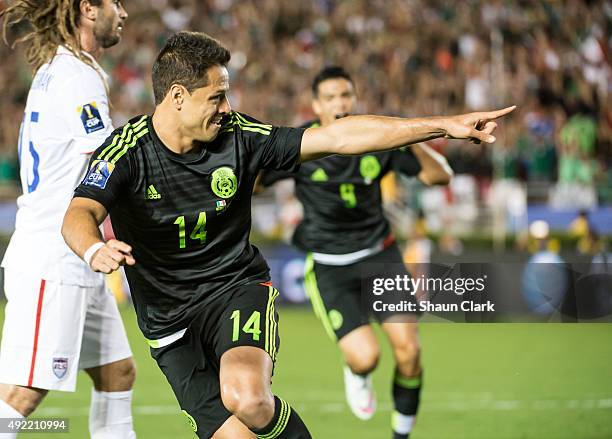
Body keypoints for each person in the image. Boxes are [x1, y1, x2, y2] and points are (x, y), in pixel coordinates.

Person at [61, 31, 513, 439]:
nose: (227, 108)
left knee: (249, 398)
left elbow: (337, 138)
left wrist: (444, 125)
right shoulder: (127, 150)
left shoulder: (240, 136)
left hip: (232, 289)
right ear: (178, 96)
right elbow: (79, 212)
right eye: (217, 98)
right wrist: (94, 247)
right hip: (168, 324)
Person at [260, 66, 453, 438]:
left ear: (355, 99)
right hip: (330, 267)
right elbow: (252, 181)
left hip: (380, 258)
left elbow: (440, 176)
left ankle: (401, 433)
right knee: (367, 357)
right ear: (316, 105)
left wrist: (406, 135)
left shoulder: (377, 141)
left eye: (346, 95)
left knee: (409, 353)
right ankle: (357, 372)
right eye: (330, 97)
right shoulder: (301, 142)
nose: (340, 103)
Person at [0, 1, 136, 438]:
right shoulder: (78, 76)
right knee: (22, 394)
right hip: (54, 260)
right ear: (88, 10)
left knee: (118, 372)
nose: (124, 13)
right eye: (116, 3)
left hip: (76, 254)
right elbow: (108, 159)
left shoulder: (62, 68)